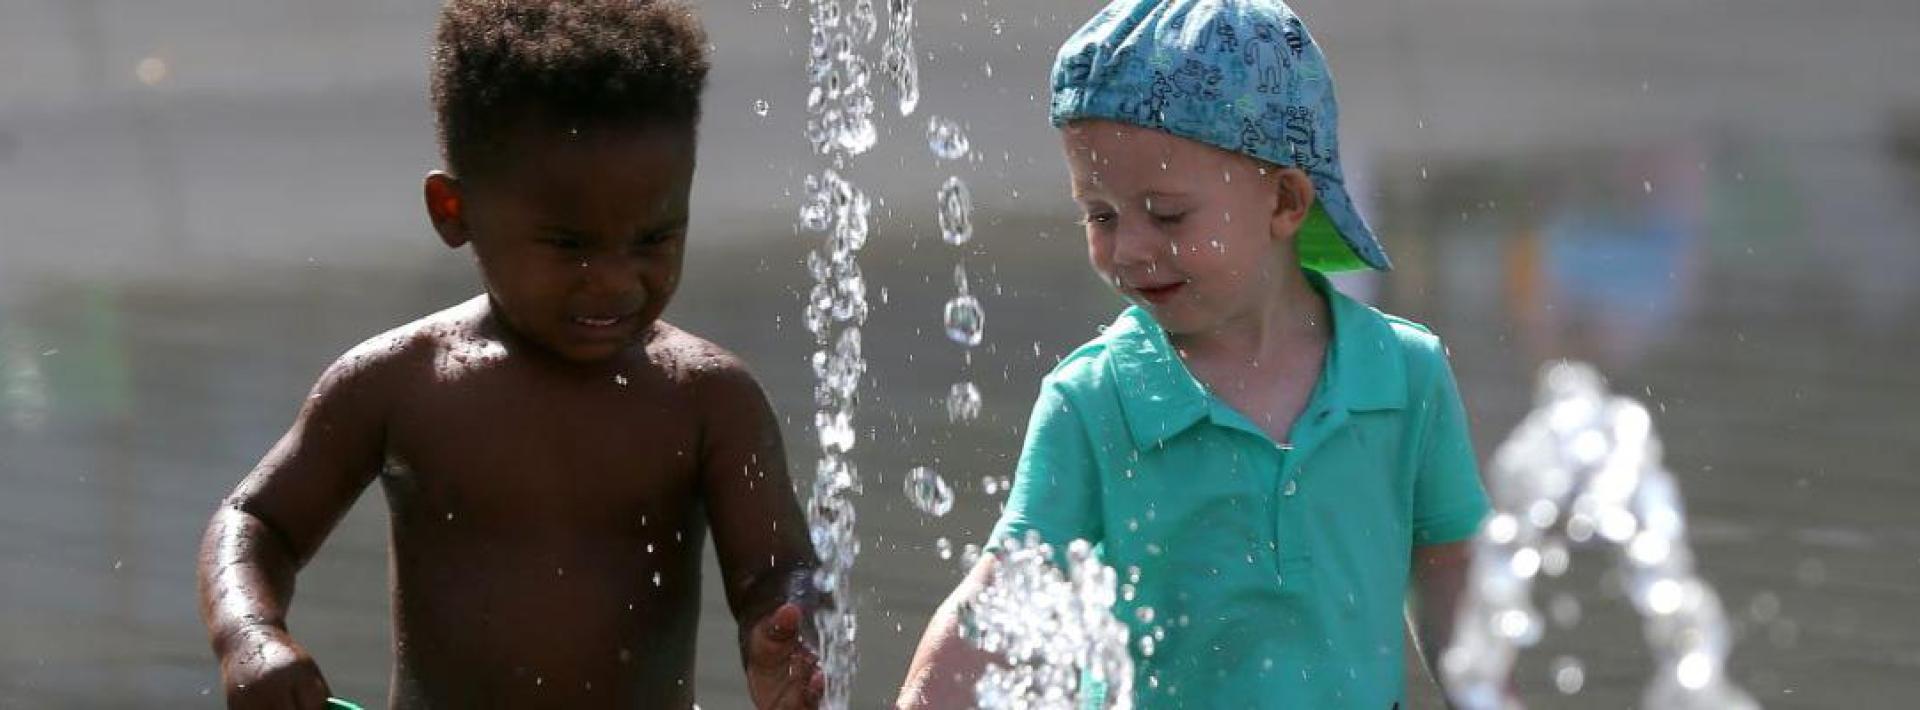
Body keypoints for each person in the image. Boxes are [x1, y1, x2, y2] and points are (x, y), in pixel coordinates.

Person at [196, 2, 822, 707]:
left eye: (654, 239)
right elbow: (256, 523)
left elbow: (777, 571)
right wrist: (250, 634)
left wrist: (783, 634)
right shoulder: (401, 386)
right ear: (453, 213)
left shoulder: (708, 400)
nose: (616, 280)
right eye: (569, 245)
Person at [898, 0, 1489, 706]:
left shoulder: (1403, 375)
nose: (1130, 249)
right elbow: (997, 608)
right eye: (1100, 214)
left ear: (1286, 202)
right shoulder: (1096, 401)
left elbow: (1449, 567)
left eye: (1168, 214)